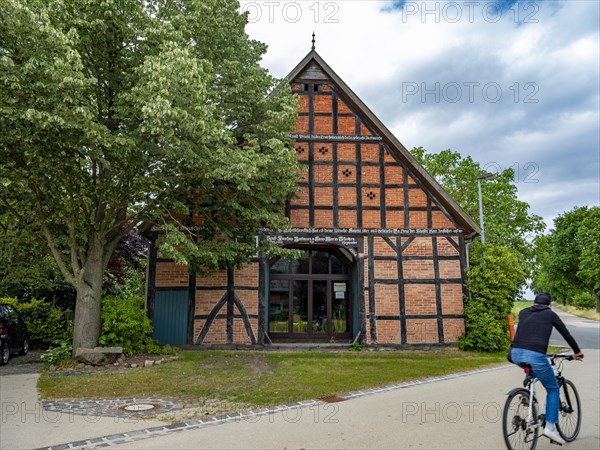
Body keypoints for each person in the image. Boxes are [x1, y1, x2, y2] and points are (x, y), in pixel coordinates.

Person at [510, 293, 584, 445]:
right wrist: (577, 352)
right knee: (553, 388)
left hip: (515, 353)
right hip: (536, 355)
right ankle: (550, 427)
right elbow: (566, 334)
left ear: (533, 303)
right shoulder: (551, 314)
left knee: (531, 370)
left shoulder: (524, 312)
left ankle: (528, 391)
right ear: (549, 305)